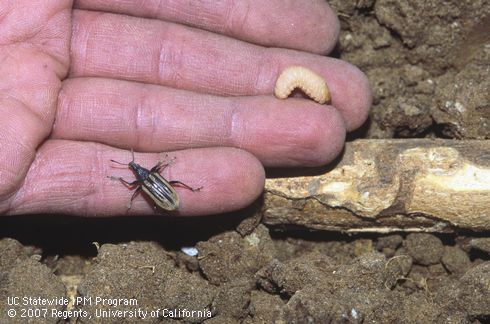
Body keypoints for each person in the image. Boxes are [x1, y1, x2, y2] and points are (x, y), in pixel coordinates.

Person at [0, 0, 371, 217]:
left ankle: (186, 187)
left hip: (160, 192)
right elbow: (141, 180)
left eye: (135, 167)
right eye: (134, 169)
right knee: (163, 185)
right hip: (161, 194)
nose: (135, 168)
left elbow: (140, 180)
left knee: (161, 184)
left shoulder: (143, 180)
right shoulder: (145, 179)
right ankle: (186, 187)